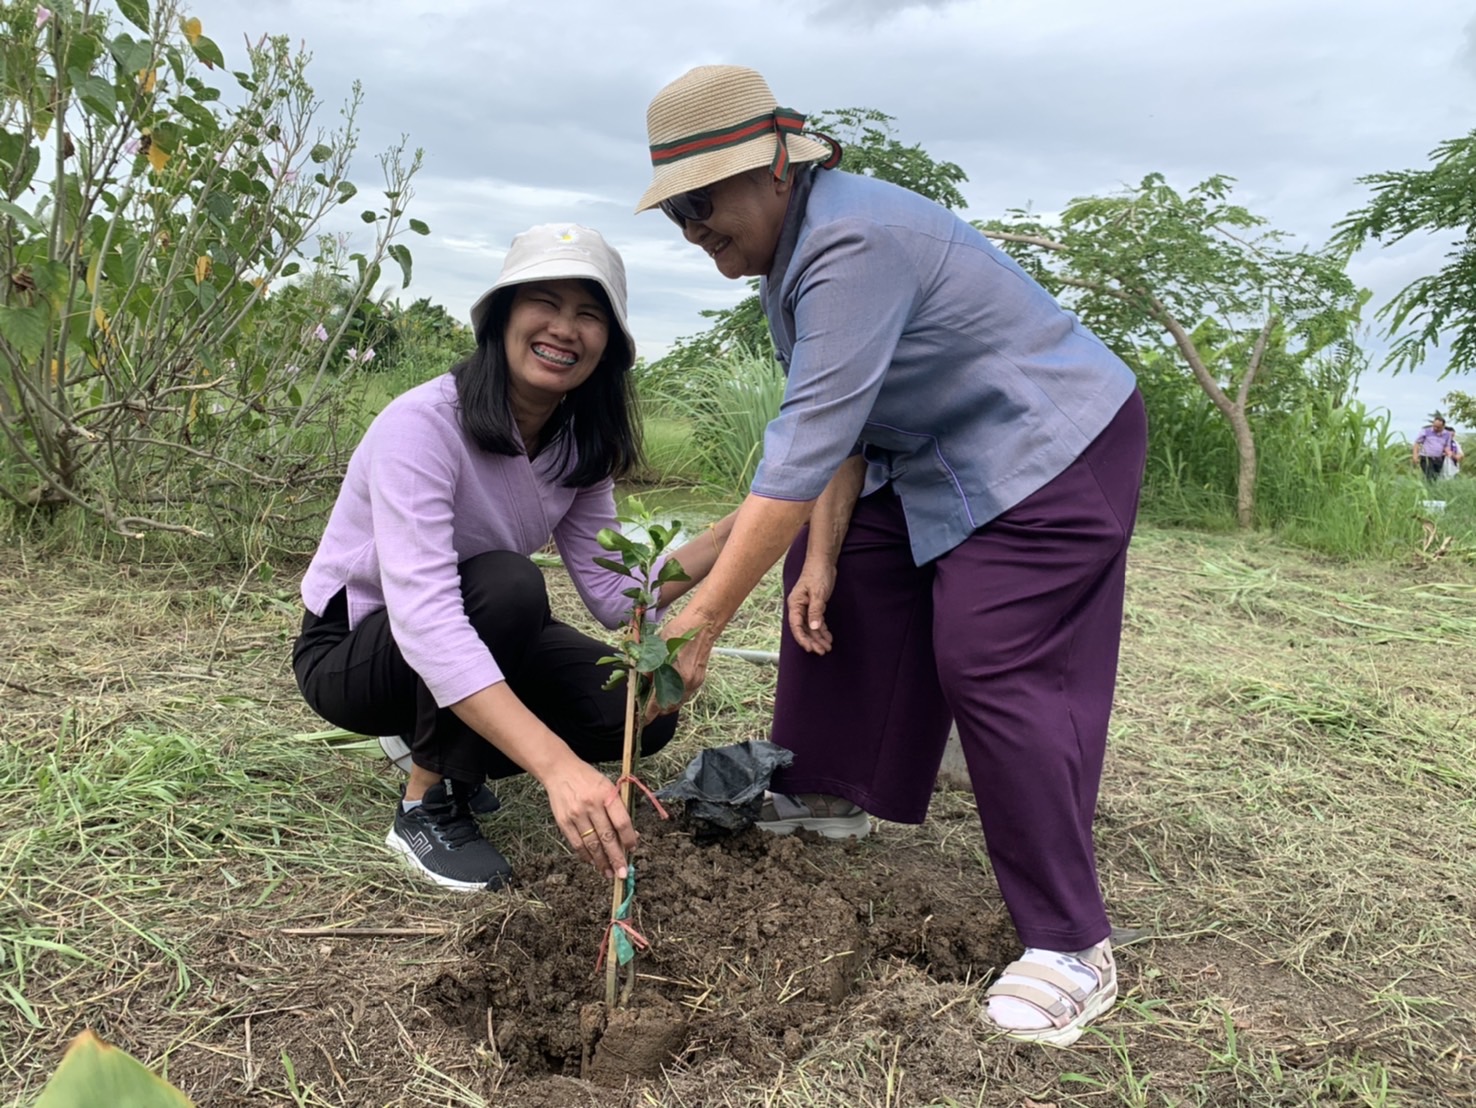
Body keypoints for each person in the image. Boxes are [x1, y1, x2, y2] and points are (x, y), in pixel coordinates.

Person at [635, 66, 1147, 1047]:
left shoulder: (852, 240)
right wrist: (790, 556)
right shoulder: (797, 263)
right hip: (940, 451)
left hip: (1053, 444)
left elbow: (802, 449)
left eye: (706, 201)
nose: (696, 228)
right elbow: (834, 435)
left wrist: (699, 619)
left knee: (993, 653)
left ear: (780, 168)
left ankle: (1071, 941)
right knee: (829, 568)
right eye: (677, 215)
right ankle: (830, 792)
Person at [292, 224, 732, 892]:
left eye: (589, 315)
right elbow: (426, 620)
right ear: (502, 317)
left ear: (607, 346)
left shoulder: (578, 445)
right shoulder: (423, 426)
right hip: (357, 649)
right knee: (508, 581)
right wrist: (557, 768)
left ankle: (439, 735)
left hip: (476, 626)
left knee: (633, 710)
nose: (564, 329)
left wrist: (750, 521)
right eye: (545, 304)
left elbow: (618, 595)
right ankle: (426, 801)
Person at [1413, 415, 1462, 482]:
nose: (1435, 428)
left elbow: (1446, 446)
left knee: (1436, 477)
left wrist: (1449, 452)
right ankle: (1429, 489)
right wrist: (1415, 455)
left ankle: (1431, 490)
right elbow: (1417, 443)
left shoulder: (1447, 434)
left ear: (1443, 426)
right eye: (1434, 426)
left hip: (1438, 459)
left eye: (1438, 427)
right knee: (1430, 476)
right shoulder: (1426, 431)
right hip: (1426, 458)